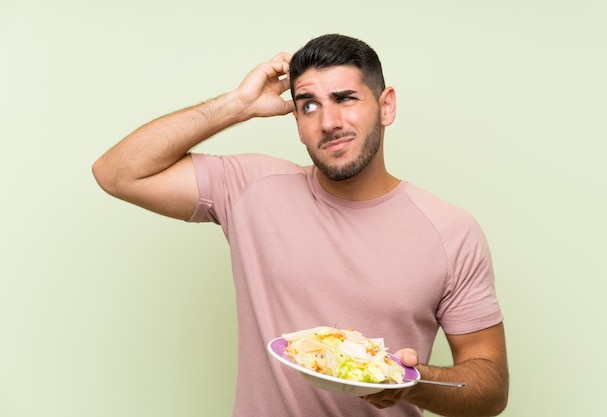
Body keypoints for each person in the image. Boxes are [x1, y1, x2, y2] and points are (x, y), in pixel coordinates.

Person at [92, 34, 509, 417]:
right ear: (296, 121)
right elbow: (118, 172)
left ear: (386, 106)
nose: (328, 122)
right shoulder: (251, 188)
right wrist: (238, 104)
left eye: (345, 98)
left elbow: (491, 388)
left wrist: (410, 383)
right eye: (308, 104)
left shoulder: (450, 231)